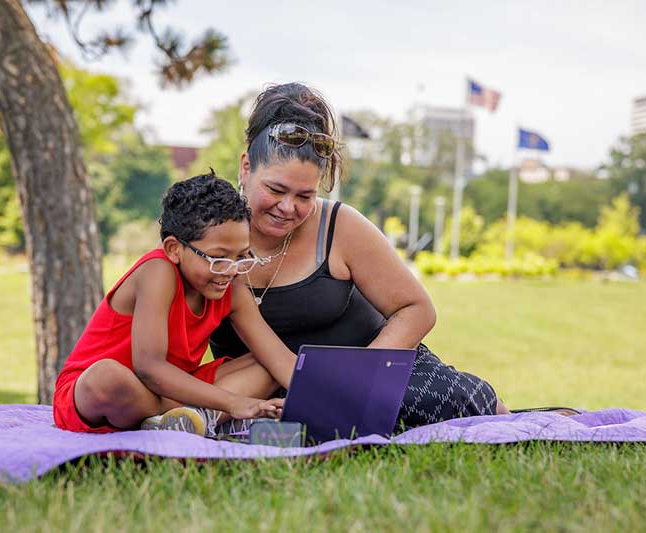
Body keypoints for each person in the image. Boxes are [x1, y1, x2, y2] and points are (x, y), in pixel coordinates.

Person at [209, 83, 509, 428]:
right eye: (275, 189)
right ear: (246, 167)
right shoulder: (205, 231)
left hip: (371, 371)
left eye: (304, 196)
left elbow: (417, 310)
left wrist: (357, 383)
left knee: (442, 403)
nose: (288, 207)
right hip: (253, 386)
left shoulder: (340, 226)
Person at [53, 171, 297, 436]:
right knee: (107, 377)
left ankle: (189, 421)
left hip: (173, 391)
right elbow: (148, 367)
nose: (231, 269)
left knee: (266, 364)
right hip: (111, 392)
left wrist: (332, 407)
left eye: (241, 256)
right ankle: (203, 418)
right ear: (174, 249)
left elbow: (279, 360)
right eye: (218, 257)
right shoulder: (158, 271)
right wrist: (234, 403)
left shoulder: (232, 288)